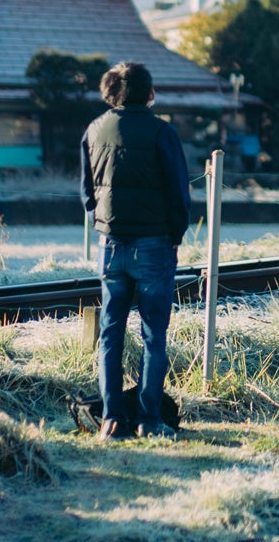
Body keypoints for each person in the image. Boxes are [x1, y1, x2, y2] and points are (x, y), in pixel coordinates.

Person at [80, 61, 190, 440]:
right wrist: (175, 235)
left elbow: (86, 192)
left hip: (109, 245)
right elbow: (179, 193)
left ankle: (110, 419)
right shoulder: (163, 133)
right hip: (154, 246)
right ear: (150, 94)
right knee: (153, 335)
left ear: (111, 93)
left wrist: (103, 225)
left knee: (111, 333)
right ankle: (148, 420)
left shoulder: (94, 130)